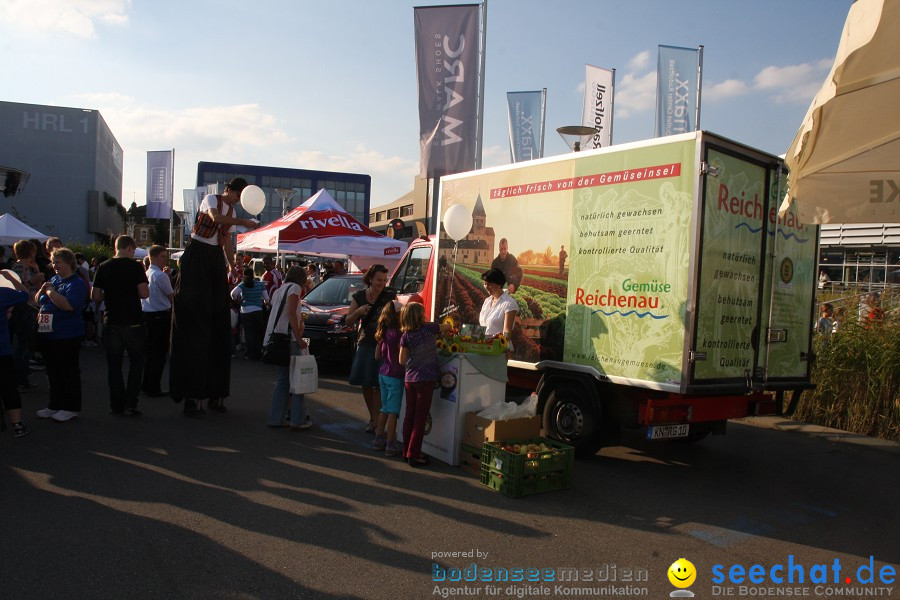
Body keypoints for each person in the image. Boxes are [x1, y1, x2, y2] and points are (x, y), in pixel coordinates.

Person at [170, 177, 259, 417]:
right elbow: (215, 218)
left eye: (240, 198)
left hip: (213, 257)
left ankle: (214, 393)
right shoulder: (213, 200)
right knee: (196, 317)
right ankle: (192, 393)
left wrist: (231, 266)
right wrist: (244, 223)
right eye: (237, 195)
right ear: (228, 190)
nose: (238, 200)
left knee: (217, 320)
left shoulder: (231, 210)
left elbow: (225, 241)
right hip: (197, 253)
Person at [92, 235, 150, 416]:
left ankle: (116, 404)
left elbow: (95, 295)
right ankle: (130, 402)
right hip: (133, 320)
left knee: (114, 366)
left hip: (112, 320)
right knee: (136, 363)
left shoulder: (103, 266)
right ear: (131, 248)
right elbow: (144, 293)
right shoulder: (135, 266)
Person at [35, 247, 87, 422]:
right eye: (53, 261)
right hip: (48, 333)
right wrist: (42, 290)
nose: (54, 265)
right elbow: (37, 300)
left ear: (68, 263)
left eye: (58, 262)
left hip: (67, 334)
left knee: (68, 371)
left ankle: (70, 406)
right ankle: (54, 404)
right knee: (53, 371)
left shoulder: (76, 283)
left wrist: (49, 292)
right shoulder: (54, 279)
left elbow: (68, 305)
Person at [398, 302, 452, 467]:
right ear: (419, 315)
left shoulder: (405, 336)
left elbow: (401, 360)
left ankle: (406, 451)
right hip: (425, 379)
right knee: (420, 418)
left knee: (409, 416)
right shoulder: (429, 328)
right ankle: (414, 454)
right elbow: (446, 327)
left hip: (410, 379)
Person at [345, 264, 396, 432]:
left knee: (380, 384)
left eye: (384, 279)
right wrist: (359, 311)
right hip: (366, 343)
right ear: (371, 279)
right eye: (378, 280)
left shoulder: (390, 295)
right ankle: (373, 417)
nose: (382, 283)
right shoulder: (359, 296)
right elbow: (348, 321)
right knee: (367, 384)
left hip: (384, 343)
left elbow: (398, 318)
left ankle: (378, 419)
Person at [264, 266, 312, 430]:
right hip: (289, 339)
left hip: (276, 338)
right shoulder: (295, 288)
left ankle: (276, 418)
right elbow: (291, 312)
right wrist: (299, 338)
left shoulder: (280, 289)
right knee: (298, 380)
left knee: (282, 381)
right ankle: (297, 419)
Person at [0, 270, 33, 437]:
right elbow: (24, 294)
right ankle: (17, 425)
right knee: (8, 387)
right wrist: (10, 278)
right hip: (2, 350)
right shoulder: (3, 293)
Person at [9, 240, 43, 389]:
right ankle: (18, 379)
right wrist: (33, 279)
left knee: (25, 344)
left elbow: (38, 286)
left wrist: (37, 276)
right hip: (23, 307)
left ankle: (23, 377)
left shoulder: (31, 266)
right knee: (21, 344)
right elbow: (18, 287)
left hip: (31, 306)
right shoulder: (18, 266)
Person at [141, 245, 174, 397]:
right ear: (152, 258)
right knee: (159, 354)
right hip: (160, 316)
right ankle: (153, 387)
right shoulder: (160, 276)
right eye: (162, 257)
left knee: (149, 353)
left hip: (147, 315)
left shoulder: (147, 273)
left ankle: (146, 384)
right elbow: (171, 297)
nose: (164, 260)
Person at [373, 301, 404, 456]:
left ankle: (379, 438)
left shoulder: (382, 332)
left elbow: (377, 356)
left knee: (384, 408)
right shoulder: (398, 334)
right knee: (393, 411)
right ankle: (390, 444)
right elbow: (401, 357)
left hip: (383, 373)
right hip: (395, 375)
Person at [231, 267, 269, 361]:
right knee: (256, 333)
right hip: (258, 311)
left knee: (248, 333)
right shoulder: (260, 285)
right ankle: (257, 353)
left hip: (246, 311)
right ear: (253, 275)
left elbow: (233, 293)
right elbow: (267, 299)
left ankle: (250, 353)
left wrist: (237, 301)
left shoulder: (243, 284)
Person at [479, 267, 519, 350]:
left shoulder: (509, 303)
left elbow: (507, 331)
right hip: (484, 347)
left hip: (499, 349)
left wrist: (501, 346)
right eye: (485, 283)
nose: (486, 287)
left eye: (490, 284)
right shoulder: (487, 301)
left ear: (499, 284)